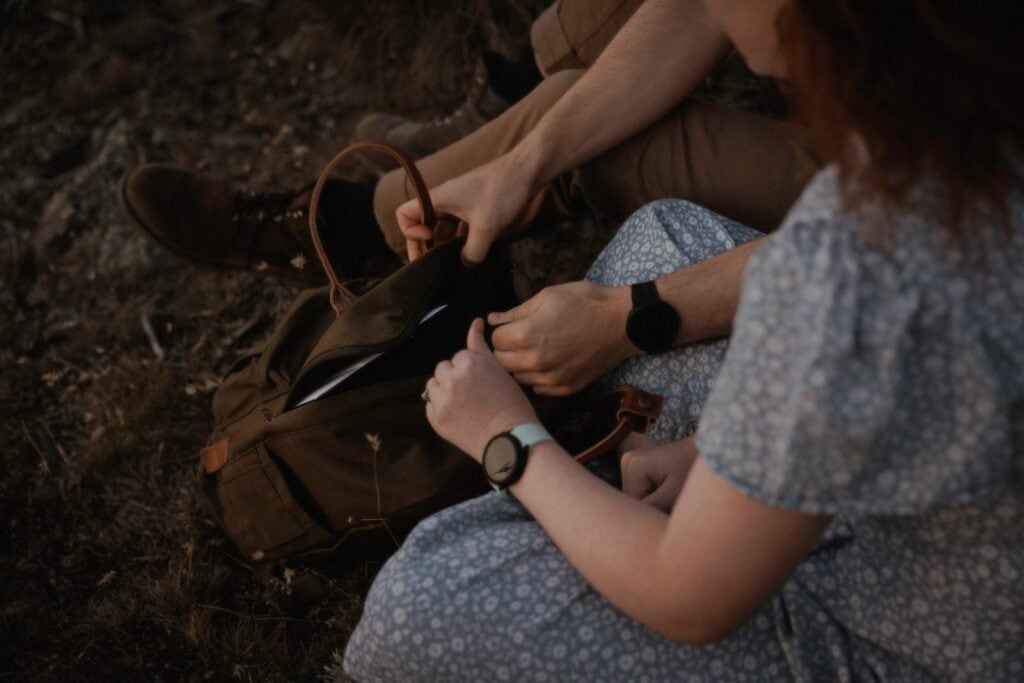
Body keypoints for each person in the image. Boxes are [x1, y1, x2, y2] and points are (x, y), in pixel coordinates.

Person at [341, 0, 1024, 680]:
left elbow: (690, 598)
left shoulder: (850, 268)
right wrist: (713, 450)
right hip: (968, 537)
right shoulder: (969, 133)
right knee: (656, 240)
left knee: (417, 603)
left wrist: (508, 439)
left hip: (906, 643)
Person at [122, 0, 820, 399]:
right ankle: (480, 133)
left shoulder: (926, 102)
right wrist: (522, 164)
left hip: (878, 191)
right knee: (561, 116)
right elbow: (699, 10)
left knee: (599, 142)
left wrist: (629, 317)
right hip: (877, 139)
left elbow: (875, 244)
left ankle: (343, 229)